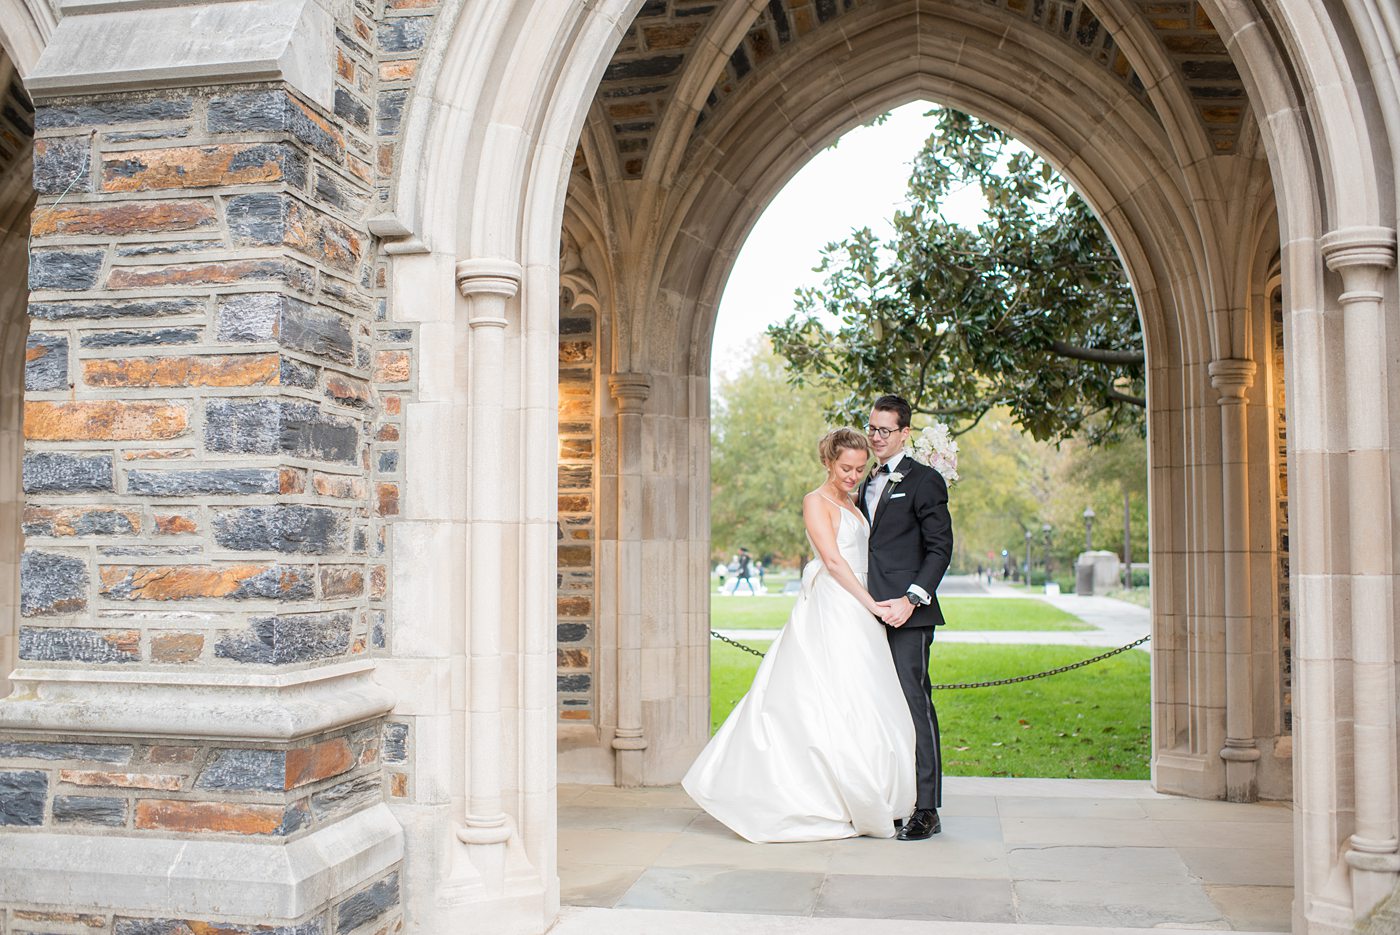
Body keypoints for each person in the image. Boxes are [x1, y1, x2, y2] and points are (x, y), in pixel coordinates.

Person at [683, 428, 915, 842]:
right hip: (836, 602)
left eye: (860, 469)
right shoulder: (815, 501)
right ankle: (813, 794)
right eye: (846, 468)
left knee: (866, 695)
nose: (853, 476)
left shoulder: (855, 502)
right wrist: (871, 603)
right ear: (828, 461)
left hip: (860, 606)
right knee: (824, 695)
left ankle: (873, 789)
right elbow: (833, 560)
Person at [861, 394, 954, 841]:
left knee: (916, 705)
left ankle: (927, 808)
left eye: (884, 430)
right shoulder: (862, 479)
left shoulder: (926, 480)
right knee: (872, 706)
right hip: (862, 612)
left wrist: (911, 599)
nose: (875, 437)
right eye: (871, 428)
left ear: (905, 433)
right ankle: (889, 796)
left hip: (908, 615)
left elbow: (940, 548)